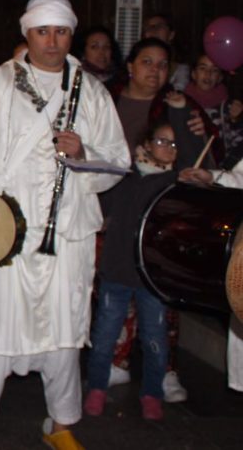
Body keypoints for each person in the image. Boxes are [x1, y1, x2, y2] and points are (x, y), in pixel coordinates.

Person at [0, 0, 130, 450]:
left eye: (61, 31)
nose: (52, 40)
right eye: (43, 31)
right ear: (26, 33)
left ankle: (61, 423)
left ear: (72, 34)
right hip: (6, 227)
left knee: (63, 327)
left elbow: (119, 160)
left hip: (66, 233)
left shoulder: (94, 91)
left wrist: (85, 153)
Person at [85, 106, 200, 423]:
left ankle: (151, 393)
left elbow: (195, 163)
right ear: (146, 143)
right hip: (118, 271)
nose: (168, 148)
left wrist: (180, 117)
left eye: (174, 145)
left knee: (154, 338)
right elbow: (99, 203)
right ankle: (95, 387)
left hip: (153, 277)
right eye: (162, 141)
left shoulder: (175, 182)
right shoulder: (126, 176)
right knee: (106, 334)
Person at [142, 13, 189, 90]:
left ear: (171, 35)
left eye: (159, 26)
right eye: (149, 27)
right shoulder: (136, 62)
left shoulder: (181, 69)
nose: (154, 30)